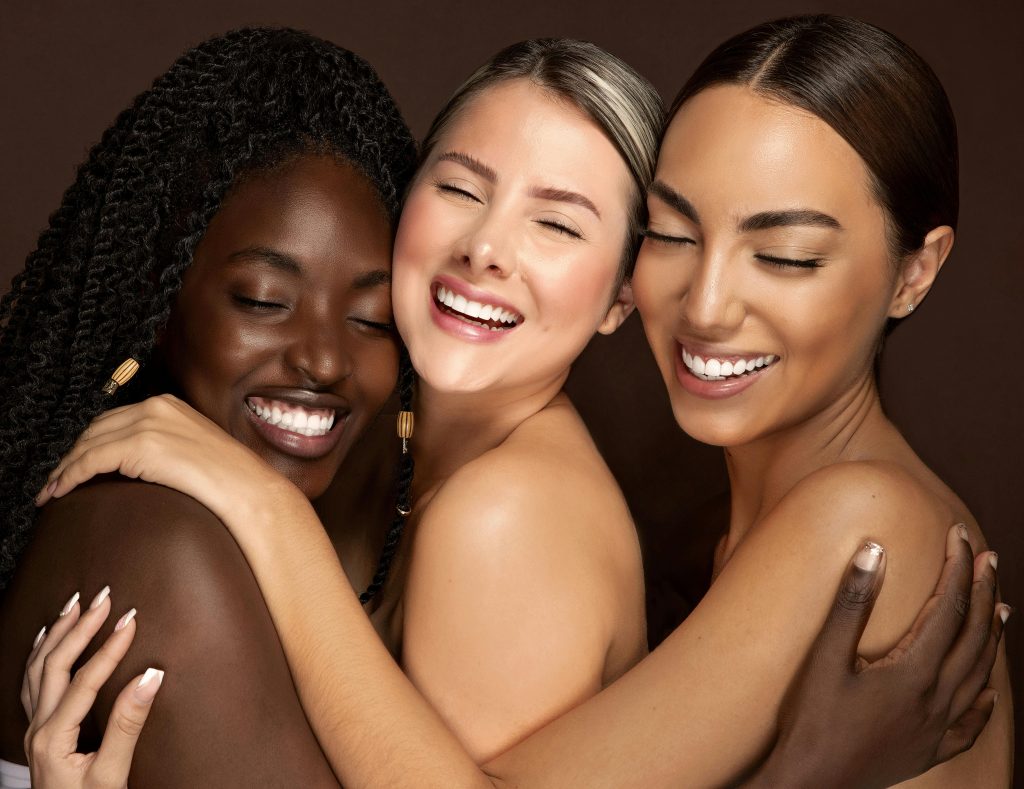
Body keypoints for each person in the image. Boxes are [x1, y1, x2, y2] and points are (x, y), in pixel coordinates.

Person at [21, 16, 1009, 789]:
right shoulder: (740, 519)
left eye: (786, 255)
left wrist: (263, 508)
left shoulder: (858, 526)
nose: (708, 303)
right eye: (677, 235)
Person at [0, 27, 418, 787]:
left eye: (372, 317)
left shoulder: (330, 515)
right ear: (159, 300)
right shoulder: (163, 551)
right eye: (263, 300)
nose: (324, 358)